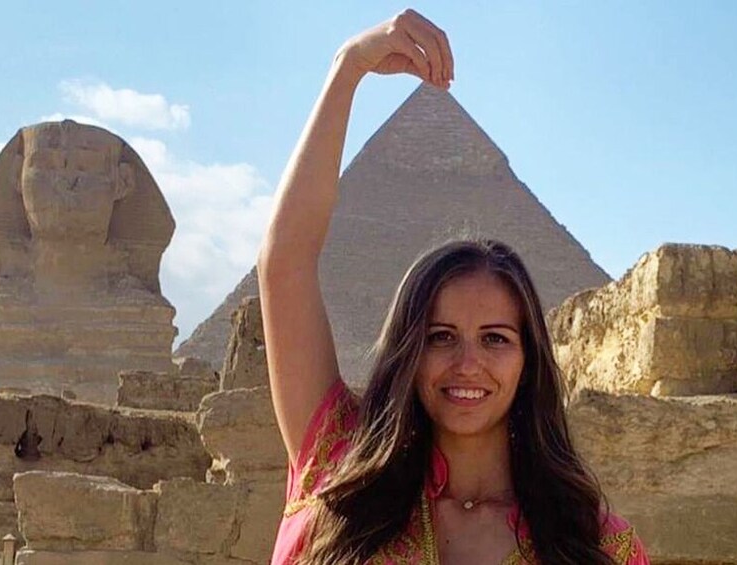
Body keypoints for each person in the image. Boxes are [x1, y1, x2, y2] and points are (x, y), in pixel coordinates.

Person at [258, 9, 649, 564]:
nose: (468, 362)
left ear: (528, 360)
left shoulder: (595, 545)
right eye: (441, 336)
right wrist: (348, 68)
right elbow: (284, 264)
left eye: (494, 338)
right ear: (408, 351)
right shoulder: (342, 471)